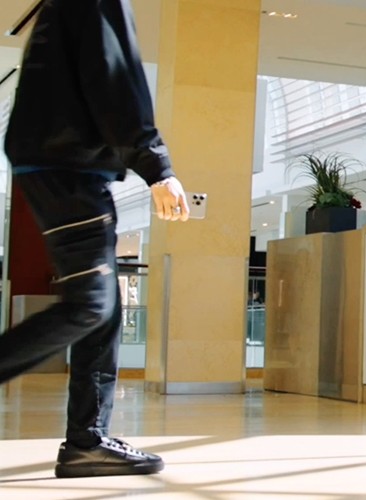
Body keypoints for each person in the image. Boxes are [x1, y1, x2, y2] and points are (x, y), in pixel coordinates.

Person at [0, 0, 192, 479]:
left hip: (62, 161)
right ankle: (86, 440)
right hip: (68, 166)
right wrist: (156, 166)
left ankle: (87, 441)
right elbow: (113, 77)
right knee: (89, 304)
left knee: (103, 312)